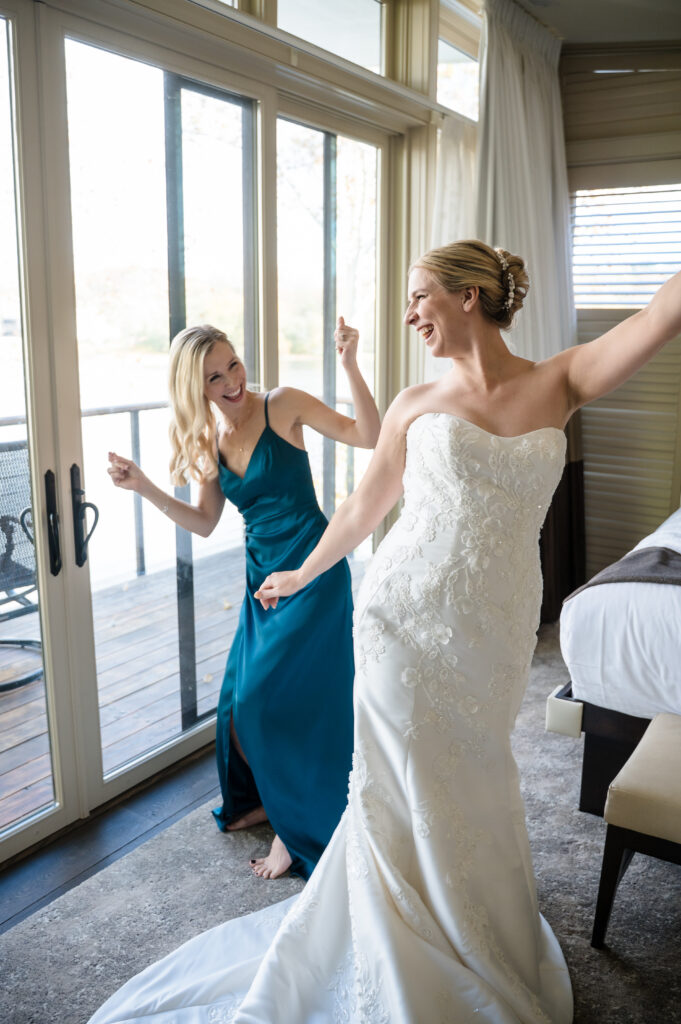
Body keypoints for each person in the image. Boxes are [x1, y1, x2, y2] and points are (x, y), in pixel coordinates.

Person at [91, 241, 681, 1024]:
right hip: (404, 621)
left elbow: (661, 313)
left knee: (476, 770)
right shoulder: (412, 403)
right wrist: (303, 575)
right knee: (408, 779)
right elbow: (362, 511)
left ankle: (471, 921)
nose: (408, 316)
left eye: (417, 297)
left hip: (497, 628)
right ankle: (400, 935)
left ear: (468, 296)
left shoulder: (560, 379)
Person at [107, 319, 380, 881]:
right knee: (242, 707)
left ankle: (293, 828)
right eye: (214, 376)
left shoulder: (283, 405)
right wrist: (144, 486)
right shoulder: (210, 440)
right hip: (261, 585)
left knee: (288, 702)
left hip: (315, 570)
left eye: (233, 363)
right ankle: (272, 801)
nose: (232, 380)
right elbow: (205, 524)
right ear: (196, 389)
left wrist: (351, 364)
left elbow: (369, 435)